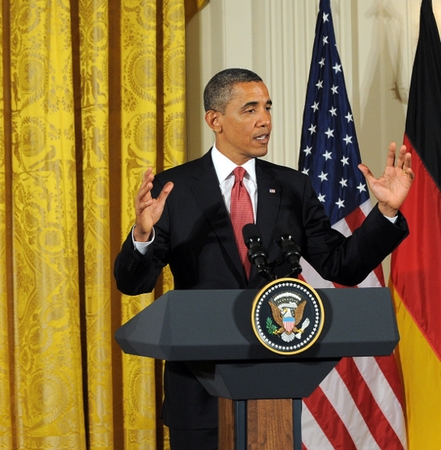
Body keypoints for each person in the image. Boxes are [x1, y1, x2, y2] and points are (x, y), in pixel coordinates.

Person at [113, 68, 413, 449]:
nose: (265, 120)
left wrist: (384, 213)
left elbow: (344, 265)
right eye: (250, 108)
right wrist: (142, 235)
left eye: (267, 107)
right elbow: (132, 283)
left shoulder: (292, 187)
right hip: (199, 391)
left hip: (273, 389)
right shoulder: (174, 189)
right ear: (215, 120)